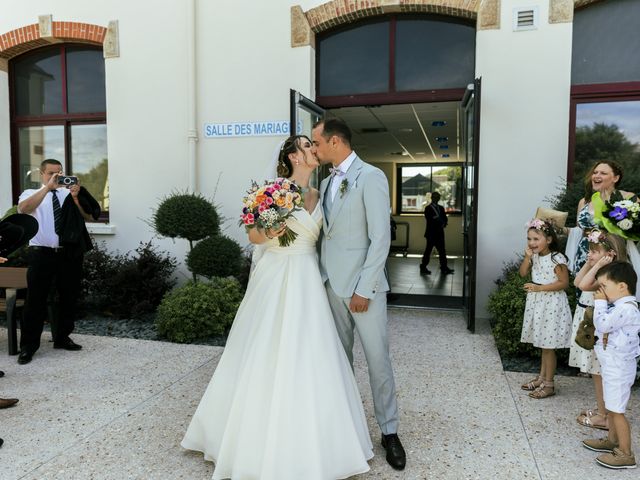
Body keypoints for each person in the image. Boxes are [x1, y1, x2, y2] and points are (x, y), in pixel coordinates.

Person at [181, 135, 373, 480]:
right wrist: (274, 226)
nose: (314, 149)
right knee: (265, 349)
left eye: (313, 144)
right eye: (306, 146)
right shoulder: (272, 191)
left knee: (310, 352)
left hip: (308, 278)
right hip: (277, 274)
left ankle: (317, 437)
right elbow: (254, 236)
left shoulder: (321, 193)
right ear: (293, 157)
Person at [312, 118, 406, 471]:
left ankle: (390, 432)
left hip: (363, 290)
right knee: (339, 362)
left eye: (317, 143)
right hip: (329, 287)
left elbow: (381, 238)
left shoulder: (372, 177)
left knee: (378, 361)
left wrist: (364, 288)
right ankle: (346, 428)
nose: (315, 149)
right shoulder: (323, 184)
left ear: (335, 141)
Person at [16, 159, 100, 365]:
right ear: (42, 174)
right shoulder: (30, 194)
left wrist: (77, 197)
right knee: (35, 301)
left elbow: (89, 217)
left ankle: (62, 338)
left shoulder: (69, 194)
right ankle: (28, 347)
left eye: (60, 173)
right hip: (41, 254)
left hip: (68, 254)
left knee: (68, 297)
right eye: (52, 173)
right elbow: (24, 209)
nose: (56, 176)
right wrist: (47, 188)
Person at [582, 261, 640, 469]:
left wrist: (599, 304)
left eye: (604, 286)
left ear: (622, 286)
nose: (601, 291)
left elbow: (603, 324)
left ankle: (626, 454)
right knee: (612, 406)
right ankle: (613, 441)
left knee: (617, 411)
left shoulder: (627, 309)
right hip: (614, 365)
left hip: (619, 367)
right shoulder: (621, 306)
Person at [570, 231, 627, 431]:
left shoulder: (610, 275)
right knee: (597, 372)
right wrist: (590, 263)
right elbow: (577, 282)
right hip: (597, 326)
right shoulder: (603, 271)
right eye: (590, 251)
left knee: (601, 373)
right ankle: (604, 412)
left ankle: (605, 416)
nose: (590, 254)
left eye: (595, 251)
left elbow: (584, 285)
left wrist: (597, 265)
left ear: (610, 255)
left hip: (604, 331)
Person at [519, 219, 572, 399]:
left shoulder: (557, 258)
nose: (532, 243)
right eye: (529, 239)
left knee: (548, 347)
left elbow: (564, 283)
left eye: (536, 239)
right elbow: (523, 273)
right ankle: (542, 378)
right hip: (539, 303)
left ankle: (549, 384)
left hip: (552, 304)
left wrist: (539, 288)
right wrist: (527, 257)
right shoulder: (534, 256)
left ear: (548, 239)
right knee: (543, 344)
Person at [420, 191, 454, 275]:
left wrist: (444, 223)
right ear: (432, 198)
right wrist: (438, 221)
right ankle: (423, 267)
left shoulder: (441, 208)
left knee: (442, 251)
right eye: (434, 197)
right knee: (428, 251)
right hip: (431, 233)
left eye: (437, 197)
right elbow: (430, 219)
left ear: (439, 198)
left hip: (439, 233)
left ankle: (444, 267)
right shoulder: (428, 208)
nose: (436, 198)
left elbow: (445, 218)